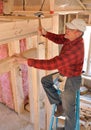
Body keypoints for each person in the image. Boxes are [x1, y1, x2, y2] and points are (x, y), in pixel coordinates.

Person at [12, 18, 86, 130]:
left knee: (69, 113)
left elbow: (52, 64)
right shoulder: (71, 38)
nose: (67, 30)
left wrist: (26, 61)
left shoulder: (76, 49)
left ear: (79, 33)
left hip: (71, 80)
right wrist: (45, 33)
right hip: (63, 73)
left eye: (70, 29)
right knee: (45, 81)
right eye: (67, 27)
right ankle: (59, 104)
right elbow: (60, 38)